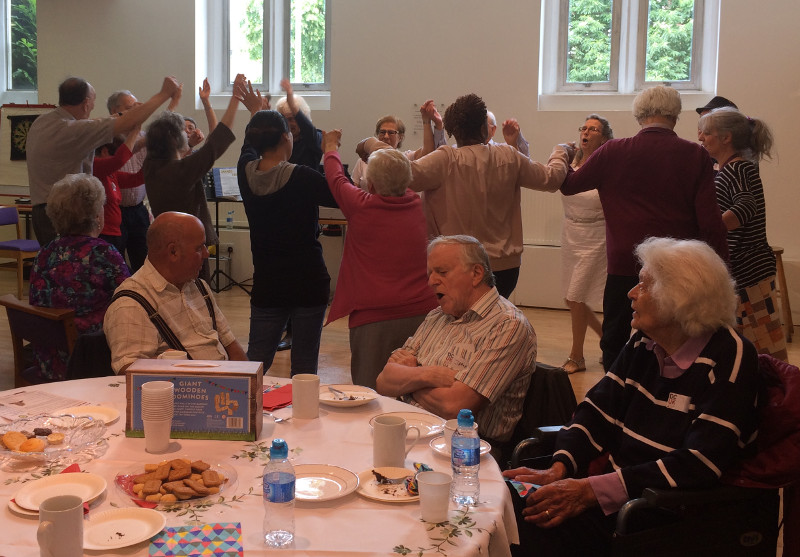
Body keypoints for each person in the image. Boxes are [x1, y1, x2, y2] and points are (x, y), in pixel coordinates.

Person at [503, 237, 760, 557]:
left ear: (679, 297)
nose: (631, 293)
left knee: (524, 529)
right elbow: (597, 410)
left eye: (644, 285)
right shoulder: (645, 342)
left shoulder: (730, 356)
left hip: (657, 512)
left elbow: (699, 463)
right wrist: (560, 466)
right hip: (611, 491)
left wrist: (590, 491)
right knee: (503, 498)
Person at [561, 85, 728, 371]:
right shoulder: (694, 155)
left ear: (639, 115)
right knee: (673, 332)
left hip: (624, 262)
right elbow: (710, 222)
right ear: (675, 116)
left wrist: (562, 153)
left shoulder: (612, 151)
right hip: (676, 264)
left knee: (615, 332)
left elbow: (569, 185)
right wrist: (721, 268)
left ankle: (614, 391)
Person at [361, 93, 573, 298]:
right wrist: (561, 151)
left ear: (453, 131)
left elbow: (395, 170)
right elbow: (552, 178)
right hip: (504, 269)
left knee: (458, 330)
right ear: (483, 128)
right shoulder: (507, 155)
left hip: (457, 268)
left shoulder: (444, 160)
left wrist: (369, 144)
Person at [375, 235, 537, 449]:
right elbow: (384, 382)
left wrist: (407, 380)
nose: (432, 281)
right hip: (412, 432)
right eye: (430, 273)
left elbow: (455, 407)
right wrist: (428, 374)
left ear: (476, 274)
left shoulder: (507, 326)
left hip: (465, 450)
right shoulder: (437, 316)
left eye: (442, 272)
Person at [322, 129, 438, 389]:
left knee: (370, 390)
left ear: (371, 184)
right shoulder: (418, 205)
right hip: (423, 312)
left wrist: (331, 147)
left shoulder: (361, 205)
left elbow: (336, 178)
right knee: (414, 389)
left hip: (374, 319)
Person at [236, 92, 338, 376]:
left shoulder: (245, 172)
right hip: (308, 281)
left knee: (255, 363)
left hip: (268, 284)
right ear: (286, 137)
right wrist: (330, 151)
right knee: (304, 369)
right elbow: (342, 192)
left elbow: (247, 146)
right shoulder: (303, 177)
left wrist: (256, 112)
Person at [26, 76, 180, 246]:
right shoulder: (73, 130)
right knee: (71, 267)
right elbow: (123, 131)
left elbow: (104, 127)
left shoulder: (43, 122)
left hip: (44, 212)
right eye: (93, 101)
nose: (93, 106)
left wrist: (129, 114)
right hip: (64, 214)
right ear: (86, 103)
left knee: (57, 266)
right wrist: (164, 93)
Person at [103, 212, 247, 373]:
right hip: (184, 395)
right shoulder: (131, 304)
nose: (206, 254)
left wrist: (251, 385)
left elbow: (230, 343)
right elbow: (128, 372)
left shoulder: (199, 286)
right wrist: (167, 363)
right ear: (173, 252)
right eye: (199, 248)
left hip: (225, 389)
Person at [698, 107, 787, 361]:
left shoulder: (738, 168)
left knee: (762, 346)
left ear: (726, 137)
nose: (701, 138)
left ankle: (779, 396)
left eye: (706, 133)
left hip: (750, 271)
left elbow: (745, 207)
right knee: (747, 343)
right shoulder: (728, 169)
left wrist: (710, 230)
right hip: (741, 269)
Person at [143, 75, 248, 283]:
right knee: (196, 299)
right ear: (175, 140)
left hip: (164, 245)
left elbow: (162, 131)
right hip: (187, 247)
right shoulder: (181, 171)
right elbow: (216, 144)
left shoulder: (151, 165)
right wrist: (235, 98)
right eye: (182, 131)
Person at [29, 174, 130, 381]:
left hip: (46, 358)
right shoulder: (103, 253)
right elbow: (132, 300)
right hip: (87, 361)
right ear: (96, 216)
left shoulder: (45, 252)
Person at [559, 114, 612, 374]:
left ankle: (577, 357)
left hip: (595, 236)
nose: (587, 132)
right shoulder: (571, 160)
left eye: (594, 129)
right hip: (571, 234)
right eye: (585, 128)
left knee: (576, 297)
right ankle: (609, 340)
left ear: (603, 137)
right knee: (572, 299)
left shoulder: (608, 163)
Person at [106, 89, 150, 272]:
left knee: (145, 261)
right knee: (116, 264)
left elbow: (141, 175)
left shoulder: (144, 137)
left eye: (136, 107)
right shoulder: (106, 139)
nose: (135, 111)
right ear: (114, 112)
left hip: (138, 210)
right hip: (115, 212)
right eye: (130, 108)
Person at [350, 105, 440, 191]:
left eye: (391, 132)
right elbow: (355, 189)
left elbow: (427, 152)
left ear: (400, 137)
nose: (385, 136)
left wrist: (426, 121)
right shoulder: (363, 161)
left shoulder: (404, 158)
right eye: (382, 132)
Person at [434, 108, 531, 157]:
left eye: (483, 125)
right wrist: (439, 126)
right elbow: (441, 156)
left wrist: (513, 141)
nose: (477, 129)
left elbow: (525, 161)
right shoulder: (459, 149)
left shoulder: (501, 151)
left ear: (493, 130)